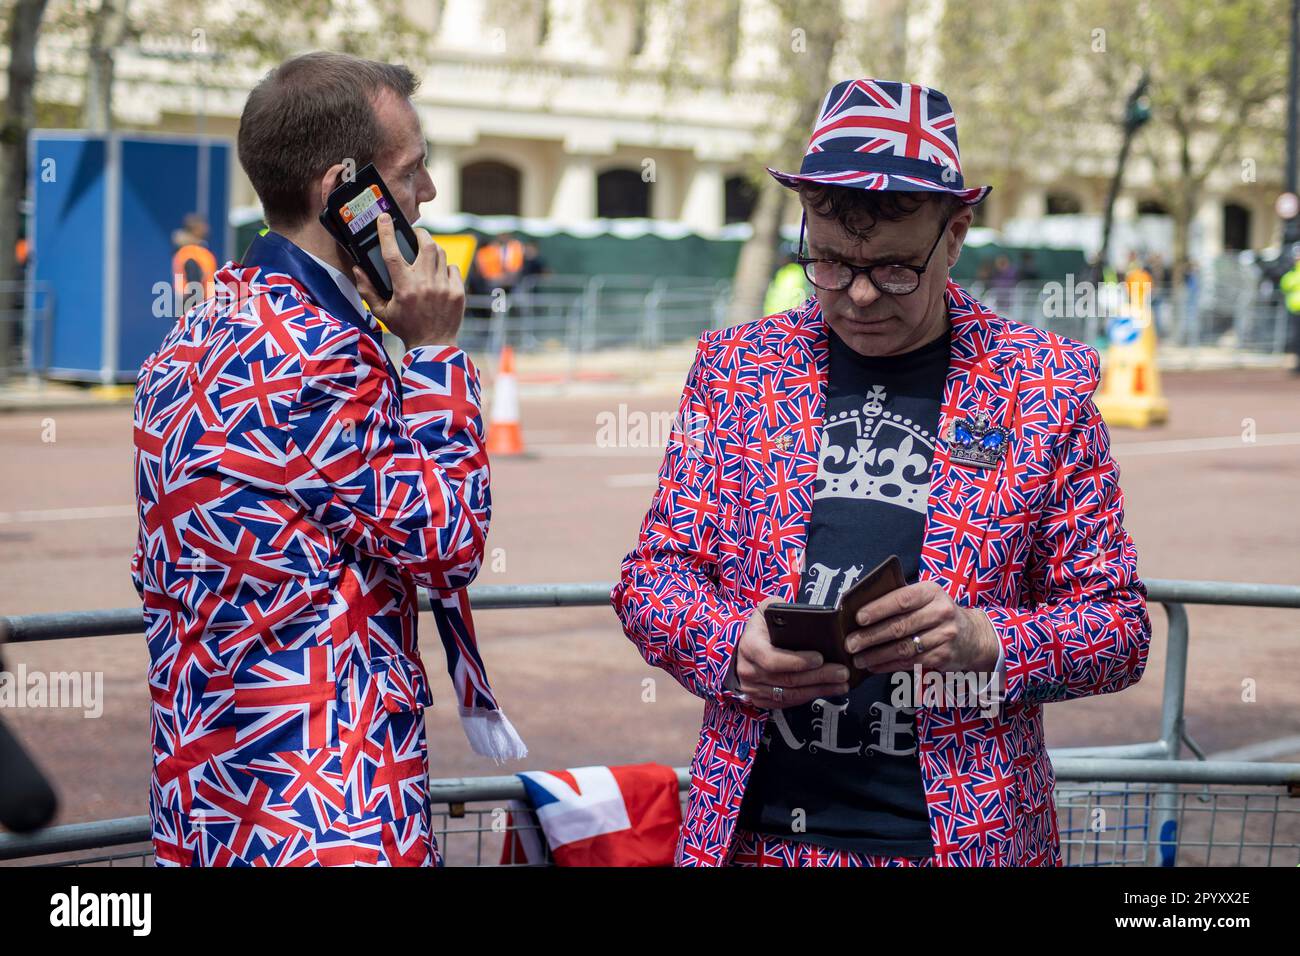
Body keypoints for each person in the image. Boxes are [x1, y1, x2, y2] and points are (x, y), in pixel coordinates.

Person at [612, 78, 1151, 867]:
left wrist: (984, 638)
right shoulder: (735, 370)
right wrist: (730, 645)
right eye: (829, 263)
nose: (859, 295)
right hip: (756, 839)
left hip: (959, 842)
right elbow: (652, 579)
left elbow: (1118, 628)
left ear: (957, 232)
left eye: (895, 269)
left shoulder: (1040, 385)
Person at [132, 52, 525, 868]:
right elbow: (447, 540)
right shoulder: (316, 353)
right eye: (412, 171)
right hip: (323, 797)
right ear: (344, 188)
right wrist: (435, 356)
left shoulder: (194, 331)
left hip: (207, 793)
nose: (429, 195)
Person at [171, 213, 217, 315]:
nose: (206, 228)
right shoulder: (191, 252)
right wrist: (201, 310)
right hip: (195, 307)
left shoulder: (188, 250)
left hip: (193, 306)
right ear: (195, 230)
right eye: (202, 225)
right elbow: (194, 284)